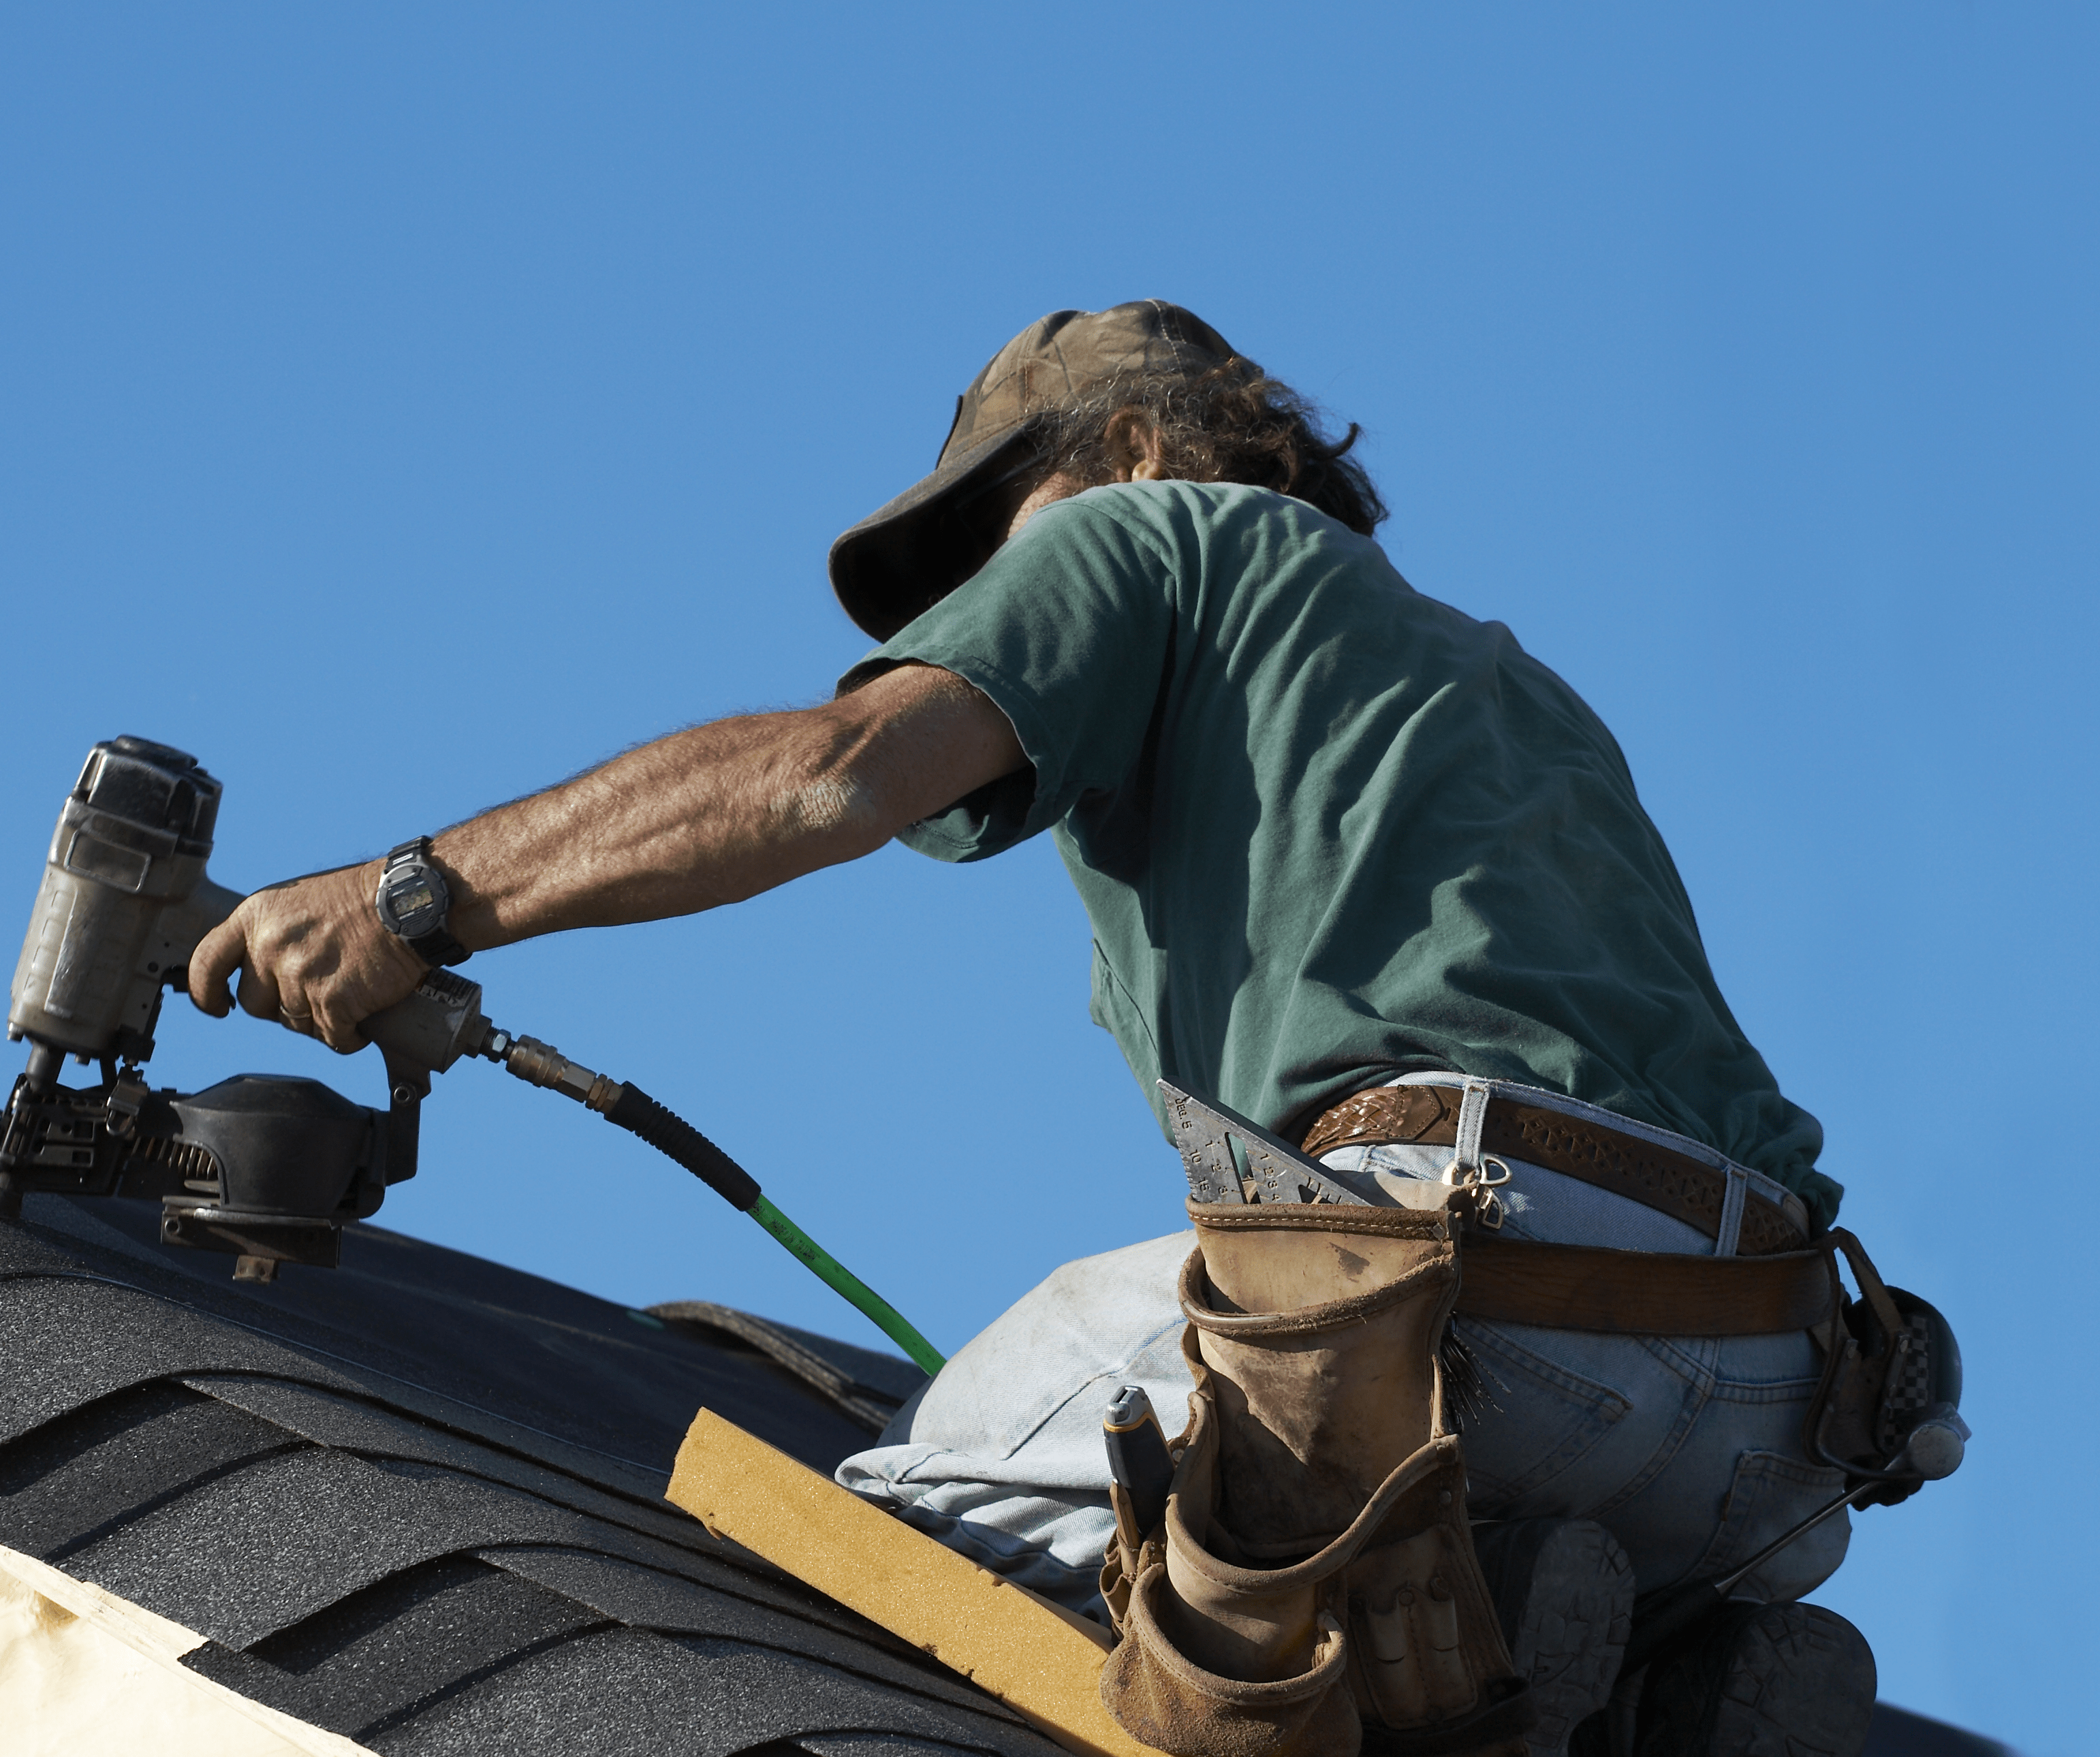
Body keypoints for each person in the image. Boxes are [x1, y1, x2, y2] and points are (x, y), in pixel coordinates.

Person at [189, 302, 1881, 1756]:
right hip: (1772, 1411)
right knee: (1444, 1635)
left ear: (1136, 445)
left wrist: (407, 900)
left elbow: (828, 776)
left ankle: (1365, 1590)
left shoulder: (1159, 532)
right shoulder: (1503, 689)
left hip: (1455, 1308)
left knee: (882, 1529)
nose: (986, 586)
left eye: (1002, 526)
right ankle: (1617, 1670)